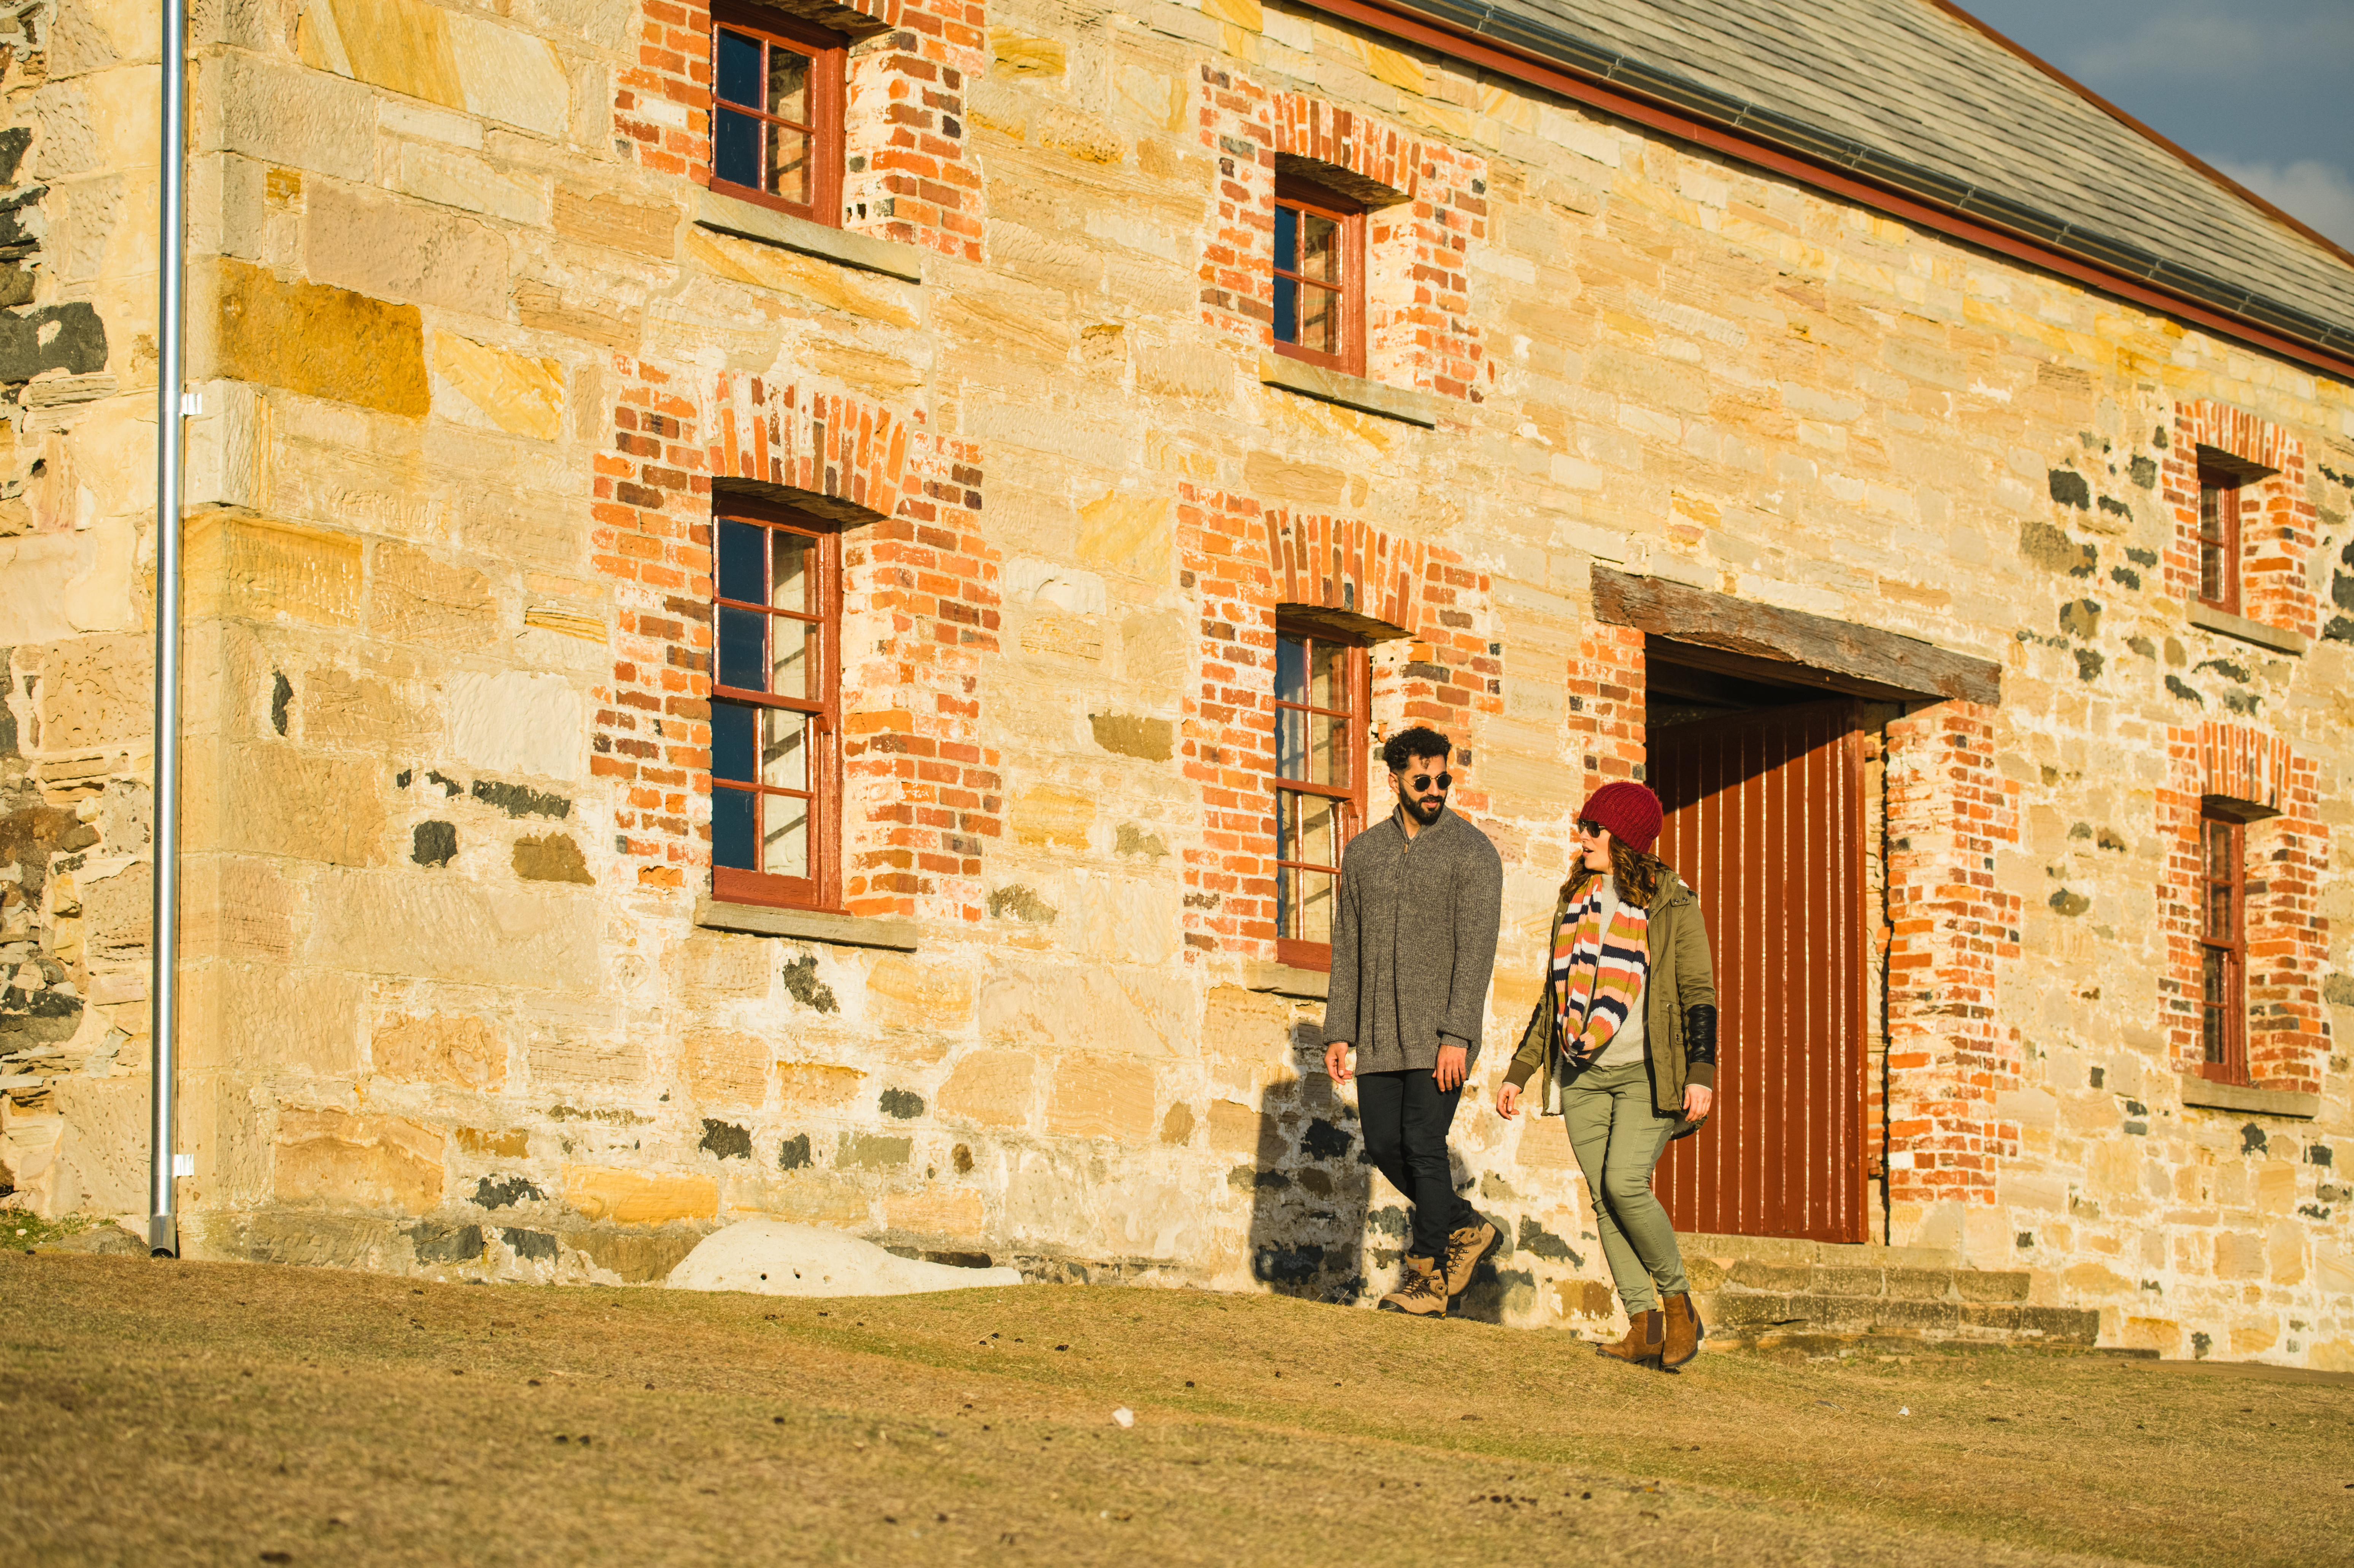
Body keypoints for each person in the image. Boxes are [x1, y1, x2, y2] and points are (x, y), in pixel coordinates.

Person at [1493, 781, 1718, 1371]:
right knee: (1601, 1199)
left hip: (1647, 1072)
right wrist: (1521, 1070)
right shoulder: (1577, 899)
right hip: (1583, 1073)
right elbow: (1555, 994)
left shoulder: (1672, 902)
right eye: (1583, 825)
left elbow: (1698, 993)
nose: (1583, 837)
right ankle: (1642, 1324)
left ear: (1625, 838)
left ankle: (1678, 1307)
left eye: (1594, 829)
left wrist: (1701, 1073)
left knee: (1624, 1185)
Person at [1320, 726, 1505, 1318]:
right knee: (1383, 1143)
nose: (1434, 789)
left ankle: (1425, 1277)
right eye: (1422, 780)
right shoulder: (1364, 853)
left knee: (1423, 1145)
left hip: (1439, 1037)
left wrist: (1456, 1037)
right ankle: (1464, 1227)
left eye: (1443, 779)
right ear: (1394, 778)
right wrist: (1339, 1028)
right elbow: (1347, 944)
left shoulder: (1473, 854)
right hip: (1376, 1029)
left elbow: (1476, 954)